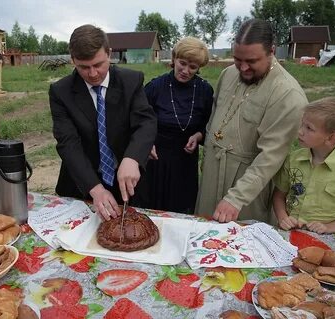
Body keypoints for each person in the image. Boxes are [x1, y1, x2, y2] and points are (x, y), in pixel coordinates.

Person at [195, 19, 308, 223]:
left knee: (241, 244)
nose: (243, 67)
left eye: (252, 61)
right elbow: (214, 120)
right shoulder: (228, 74)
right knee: (203, 233)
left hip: (248, 187)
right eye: (238, 59)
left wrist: (236, 198)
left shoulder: (288, 95)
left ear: (271, 51)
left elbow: (270, 157)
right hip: (213, 174)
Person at [49, 24, 157, 220]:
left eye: (98, 64)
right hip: (82, 185)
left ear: (109, 53)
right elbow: (68, 143)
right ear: (73, 60)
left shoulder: (131, 81)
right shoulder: (60, 92)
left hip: (127, 181)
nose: (92, 74)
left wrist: (132, 157)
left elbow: (146, 122)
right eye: (83, 67)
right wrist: (95, 189)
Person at [273, 97, 335, 234]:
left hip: (325, 240)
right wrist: (283, 217)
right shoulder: (293, 159)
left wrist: (331, 227)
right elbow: (279, 195)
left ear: (332, 138)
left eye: (309, 128)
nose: (300, 131)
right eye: (302, 124)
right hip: (288, 234)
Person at [144, 37, 213, 214]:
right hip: (156, 160)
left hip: (185, 163)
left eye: (193, 67)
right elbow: (139, 121)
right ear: (174, 58)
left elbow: (210, 125)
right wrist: (146, 142)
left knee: (182, 211)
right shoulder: (155, 87)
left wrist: (198, 136)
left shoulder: (205, 91)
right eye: (182, 63)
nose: (186, 70)